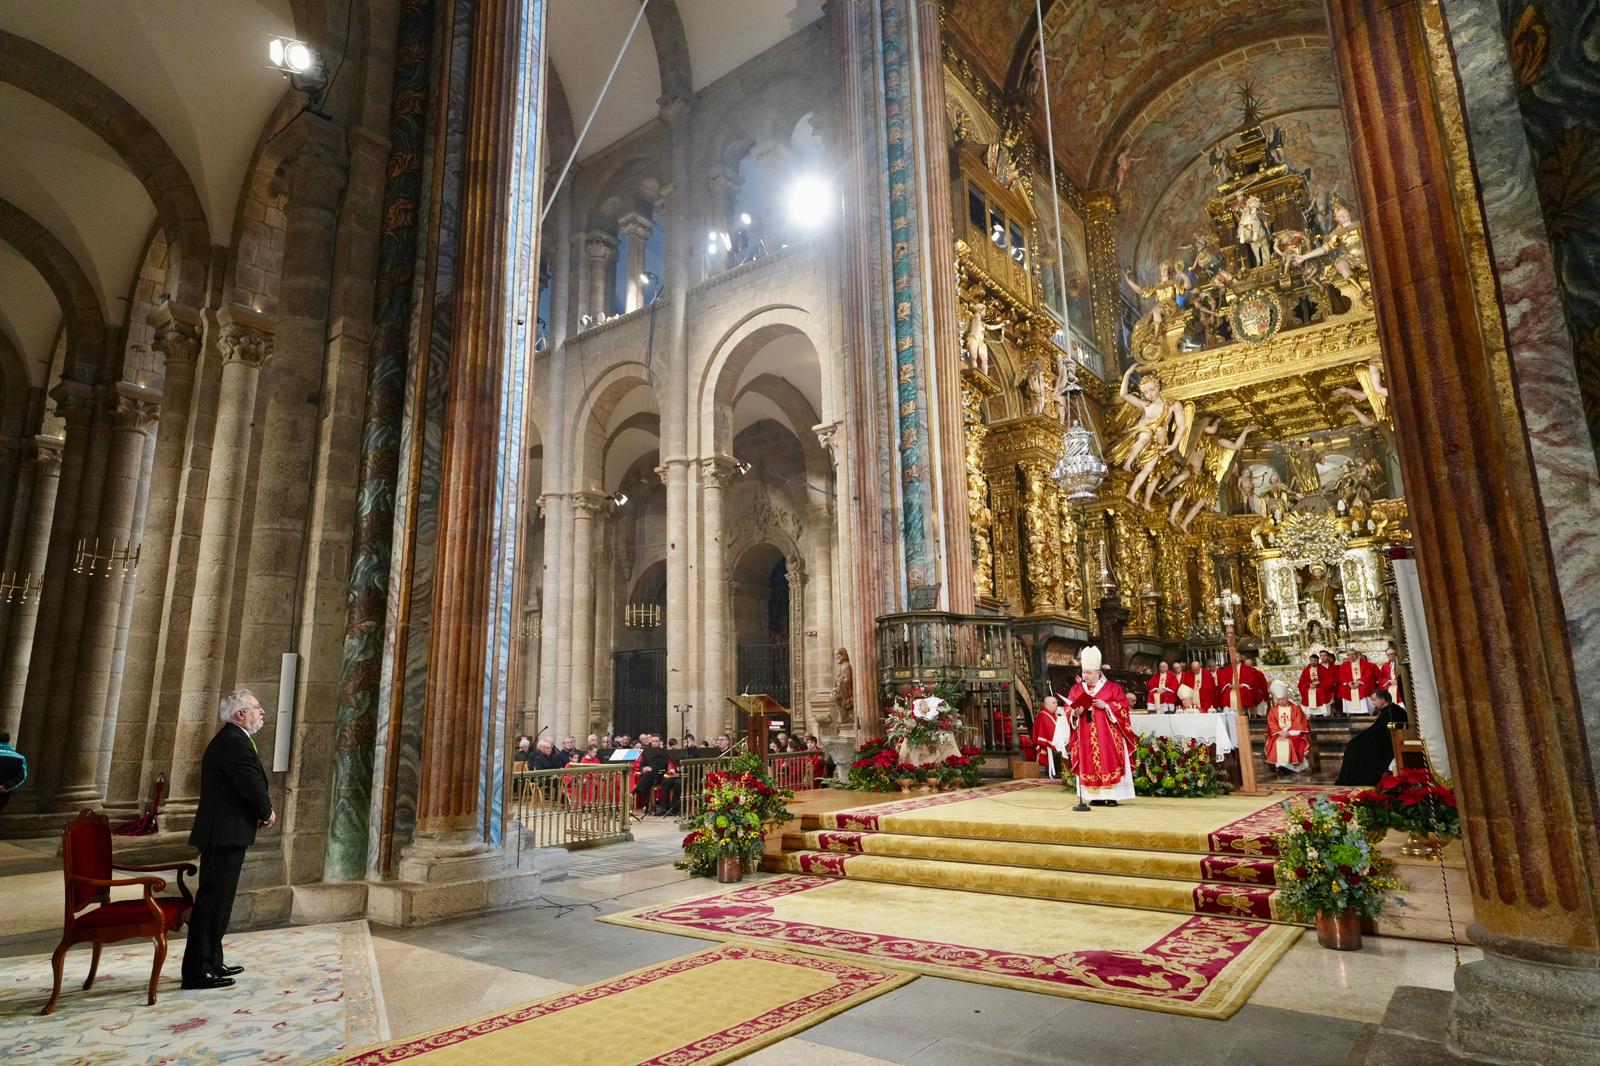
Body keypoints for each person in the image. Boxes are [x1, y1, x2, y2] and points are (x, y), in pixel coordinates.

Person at [182, 689, 274, 991]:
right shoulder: (233, 743)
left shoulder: (234, 740)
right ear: (240, 714)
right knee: (212, 903)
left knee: (220, 903)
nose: (261, 713)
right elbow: (249, 784)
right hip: (223, 833)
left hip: (227, 831)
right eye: (256, 708)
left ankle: (212, 960)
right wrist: (266, 812)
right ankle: (197, 970)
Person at [1064, 646, 1137, 805]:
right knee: (1089, 762)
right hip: (1084, 735)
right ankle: (1094, 797)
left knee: (1108, 760)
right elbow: (1068, 707)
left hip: (1108, 736)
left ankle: (1111, 796)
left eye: (1089, 673)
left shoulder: (1113, 688)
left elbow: (1123, 706)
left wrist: (1107, 706)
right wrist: (1075, 713)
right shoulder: (1076, 689)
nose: (1085, 676)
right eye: (1084, 672)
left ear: (1098, 673)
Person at [1336, 688, 1408, 785]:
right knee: (1353, 745)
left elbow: (1380, 732)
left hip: (1388, 743)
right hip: (1382, 739)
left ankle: (1356, 779)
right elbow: (1376, 730)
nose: (1373, 703)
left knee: (1354, 748)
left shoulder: (1392, 712)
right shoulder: (1390, 710)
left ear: (1383, 699)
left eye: (1374, 700)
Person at [1264, 680, 1312, 775]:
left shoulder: (1296, 708)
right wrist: (1279, 732)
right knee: (1276, 742)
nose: (1281, 701)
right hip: (1279, 734)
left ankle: (1290, 767)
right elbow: (1271, 723)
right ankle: (1281, 767)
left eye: (1283, 699)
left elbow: (1299, 722)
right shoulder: (1273, 710)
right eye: (1279, 699)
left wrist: (1288, 732)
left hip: (1293, 733)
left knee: (1291, 741)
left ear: (1287, 697)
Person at [1031, 694, 1069, 778]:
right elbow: (1048, 731)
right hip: (1050, 742)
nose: (1056, 705)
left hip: (1058, 739)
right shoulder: (1043, 715)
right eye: (1054, 703)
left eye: (1056, 703)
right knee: (1062, 747)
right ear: (1047, 705)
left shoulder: (1054, 714)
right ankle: (1060, 772)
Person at [634, 736, 672, 815]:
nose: (654, 743)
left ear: (659, 742)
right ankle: (646, 804)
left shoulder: (663, 752)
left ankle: (641, 797)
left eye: (656, 741)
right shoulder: (647, 751)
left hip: (660, 774)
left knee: (647, 777)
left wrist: (651, 768)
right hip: (649, 774)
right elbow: (642, 763)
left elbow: (663, 765)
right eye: (653, 741)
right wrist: (643, 768)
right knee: (647, 777)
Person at [1337, 648, 1380, 715]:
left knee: (1363, 689)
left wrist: (1360, 682)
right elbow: (1342, 676)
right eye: (1348, 655)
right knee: (1344, 689)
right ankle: (1351, 712)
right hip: (1351, 684)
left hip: (1363, 683)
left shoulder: (1366, 664)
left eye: (1352, 654)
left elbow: (1368, 674)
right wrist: (1349, 683)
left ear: (1357, 655)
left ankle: (1366, 711)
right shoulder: (1344, 665)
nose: (1350, 656)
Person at [0, 731, 27, 814]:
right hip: (3, 793)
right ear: (9, 741)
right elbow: (22, 776)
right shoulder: (20, 758)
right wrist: (6, 786)